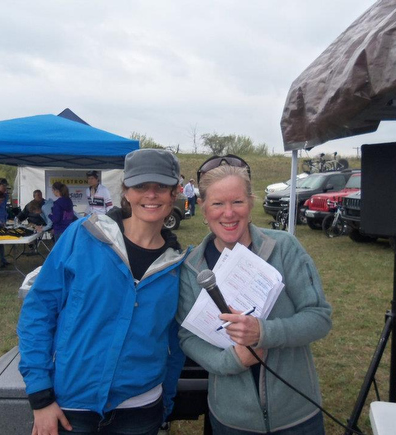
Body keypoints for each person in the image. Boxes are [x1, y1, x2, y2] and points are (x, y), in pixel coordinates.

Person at [17, 148, 188, 435]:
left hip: (141, 409)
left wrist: (165, 403)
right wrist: (40, 395)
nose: (151, 194)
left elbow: (176, 342)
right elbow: (39, 309)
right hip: (71, 405)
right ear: (127, 191)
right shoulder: (83, 235)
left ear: (174, 193)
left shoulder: (177, 266)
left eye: (161, 187)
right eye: (141, 186)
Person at [176, 156, 332, 434]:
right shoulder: (192, 267)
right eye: (217, 204)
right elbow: (188, 338)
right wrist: (232, 361)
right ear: (202, 207)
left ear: (250, 202)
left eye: (237, 202)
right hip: (231, 419)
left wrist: (263, 332)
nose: (229, 213)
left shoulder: (285, 248)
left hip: (295, 415)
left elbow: (319, 318)